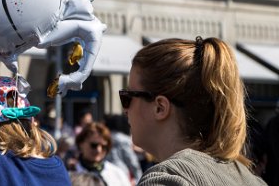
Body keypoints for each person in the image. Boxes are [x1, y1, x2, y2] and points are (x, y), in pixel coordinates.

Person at [123, 37, 266, 185]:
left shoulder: (167, 179)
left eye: (127, 97)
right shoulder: (252, 180)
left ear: (160, 107)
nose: (125, 109)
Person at [104, 114, 142, 184]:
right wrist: (139, 178)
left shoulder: (105, 138)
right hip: (121, 172)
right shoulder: (124, 140)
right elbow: (132, 161)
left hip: (105, 171)